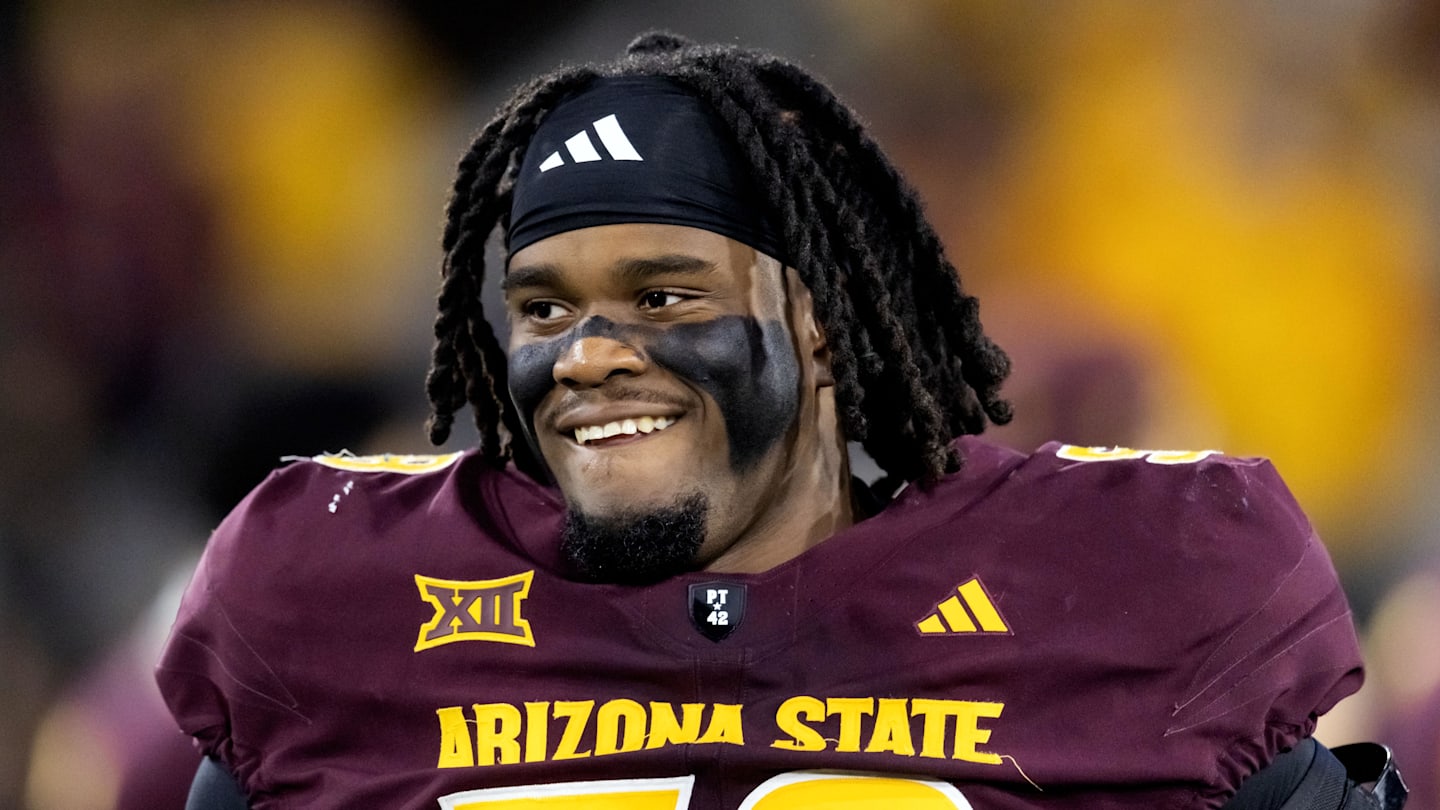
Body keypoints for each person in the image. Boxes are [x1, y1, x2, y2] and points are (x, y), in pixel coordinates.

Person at [156, 32, 1403, 809]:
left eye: (663, 295)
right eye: (543, 308)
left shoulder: (1126, 579)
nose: (589, 357)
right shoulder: (336, 599)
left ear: (815, 319)